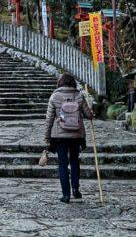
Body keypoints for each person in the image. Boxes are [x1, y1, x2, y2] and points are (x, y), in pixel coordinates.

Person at [44, 73, 95, 203]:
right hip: (76, 135)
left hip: (60, 135)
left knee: (62, 164)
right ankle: (76, 189)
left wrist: (47, 136)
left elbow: (49, 118)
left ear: (60, 83)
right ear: (72, 83)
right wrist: (91, 112)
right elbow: (88, 115)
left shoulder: (55, 96)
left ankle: (66, 194)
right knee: (74, 161)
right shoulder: (79, 95)